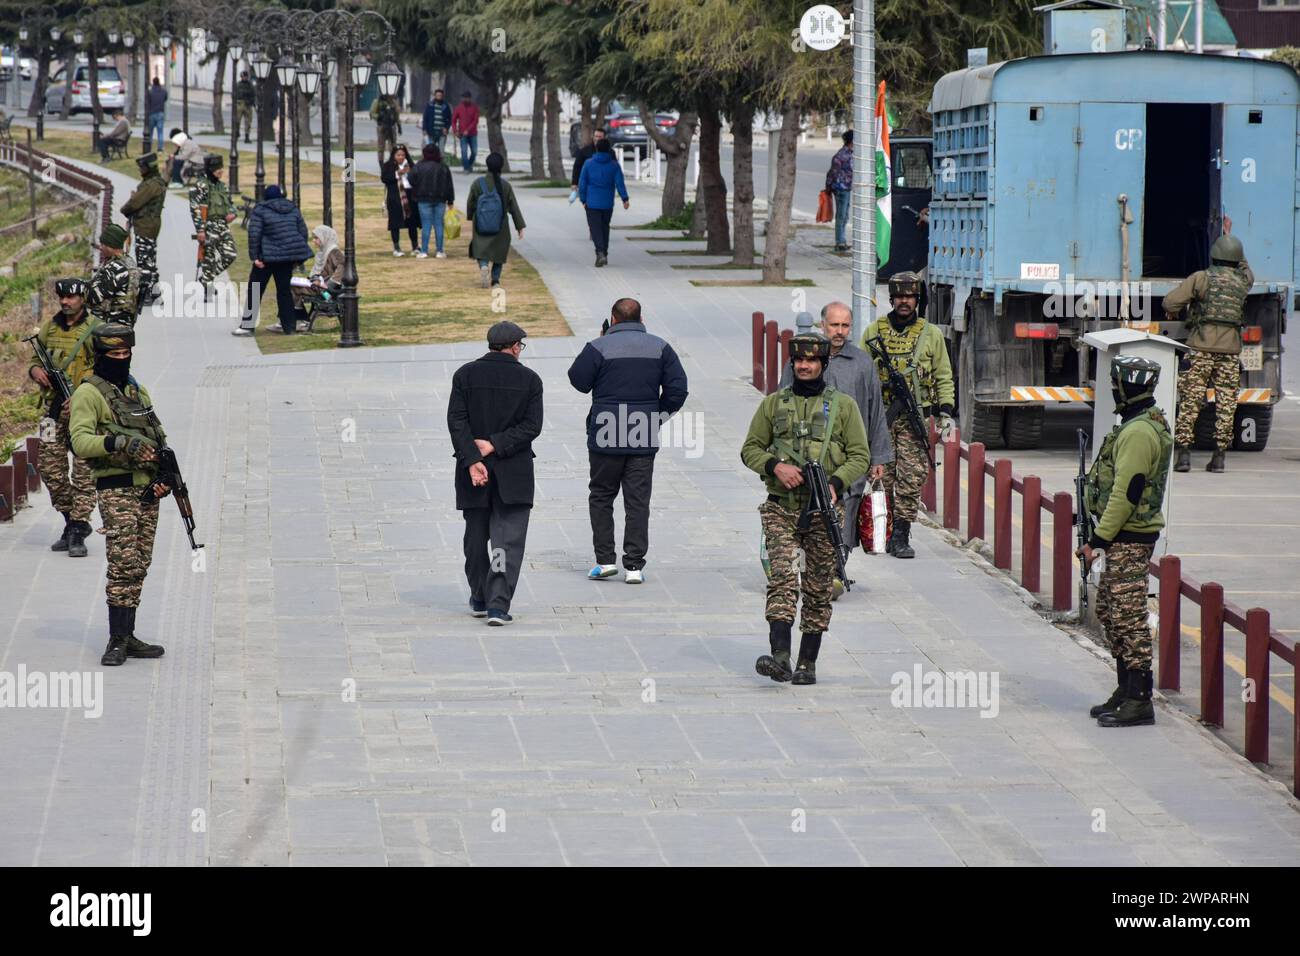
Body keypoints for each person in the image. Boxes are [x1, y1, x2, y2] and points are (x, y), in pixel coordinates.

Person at [741, 333, 871, 685]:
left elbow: (860, 455)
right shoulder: (773, 405)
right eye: (799, 361)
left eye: (812, 361)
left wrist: (836, 483)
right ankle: (780, 657)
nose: (805, 366)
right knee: (782, 579)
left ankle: (806, 662)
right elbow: (750, 449)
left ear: (823, 364)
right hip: (781, 507)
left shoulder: (843, 407)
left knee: (817, 588)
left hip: (823, 513)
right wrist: (774, 467)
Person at [1079, 356, 1173, 728]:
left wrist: (1097, 541)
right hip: (1124, 535)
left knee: (1128, 618)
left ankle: (1139, 699)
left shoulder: (1137, 433)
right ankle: (1124, 689)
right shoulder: (1138, 424)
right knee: (1110, 611)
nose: (1113, 388)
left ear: (1126, 386)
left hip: (1129, 537)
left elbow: (1127, 492)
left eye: (1116, 382)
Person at [67, 322, 169, 667]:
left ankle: (130, 634)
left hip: (146, 488)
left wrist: (164, 476)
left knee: (140, 562)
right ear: (101, 356)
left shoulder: (135, 390)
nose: (122, 359)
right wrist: (118, 442)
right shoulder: (89, 394)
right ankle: (117, 639)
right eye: (115, 354)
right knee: (122, 563)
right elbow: (80, 442)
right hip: (117, 488)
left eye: (127, 354)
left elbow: (156, 434)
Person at [567, 298, 689, 584]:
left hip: (604, 434)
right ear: (640, 317)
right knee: (637, 501)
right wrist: (656, 416)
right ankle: (634, 566)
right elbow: (678, 390)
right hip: (643, 434)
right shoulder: (661, 347)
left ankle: (605, 561)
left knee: (601, 495)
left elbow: (578, 381)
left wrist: (600, 341)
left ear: (613, 318)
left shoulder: (598, 347)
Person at [779, 301, 892, 582]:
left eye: (844, 325)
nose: (839, 331)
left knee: (845, 515)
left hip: (849, 460)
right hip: (807, 456)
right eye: (834, 325)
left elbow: (875, 409)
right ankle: (810, 570)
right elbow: (780, 404)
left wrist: (878, 456)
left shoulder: (862, 363)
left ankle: (835, 571)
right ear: (822, 325)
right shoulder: (803, 360)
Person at [446, 320, 544, 626]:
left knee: (475, 537)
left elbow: (457, 422)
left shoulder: (464, 375)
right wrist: (495, 445)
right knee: (506, 541)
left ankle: (479, 595)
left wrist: (474, 457)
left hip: (471, 471)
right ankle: (498, 605)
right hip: (512, 472)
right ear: (515, 347)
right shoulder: (530, 380)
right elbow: (532, 426)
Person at [861, 271, 954, 559]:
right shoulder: (874, 332)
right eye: (899, 296)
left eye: (910, 297)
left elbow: (943, 375)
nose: (904, 302)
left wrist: (945, 414)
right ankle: (885, 530)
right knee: (883, 476)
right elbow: (862, 374)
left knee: (912, 477)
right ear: (891, 299)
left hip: (914, 418)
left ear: (917, 299)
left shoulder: (931, 335)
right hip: (881, 417)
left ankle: (901, 533)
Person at [1163, 233, 1253, 473]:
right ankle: (1219, 458)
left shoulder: (1201, 278)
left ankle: (1183, 456)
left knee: (1190, 402)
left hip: (1200, 348)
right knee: (1226, 405)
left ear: (1214, 255)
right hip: (1230, 352)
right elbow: (1245, 267)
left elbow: (1171, 303)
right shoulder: (1244, 281)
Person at [28, 278, 99, 557]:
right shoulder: (50, 328)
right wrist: (36, 373)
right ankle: (71, 522)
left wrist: (83, 396)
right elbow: (36, 360)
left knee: (83, 472)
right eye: (62, 297)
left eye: (71, 297)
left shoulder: (95, 330)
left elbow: (105, 371)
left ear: (83, 298)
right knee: (50, 469)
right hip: (51, 411)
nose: (66, 302)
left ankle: (79, 529)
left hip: (83, 413)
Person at [236, 184, 312, 336]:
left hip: (266, 259)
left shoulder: (260, 210)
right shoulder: (293, 209)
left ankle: (247, 326)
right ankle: (289, 327)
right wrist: (296, 257)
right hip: (286, 259)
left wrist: (255, 257)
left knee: (255, 290)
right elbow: (302, 232)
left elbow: (254, 234)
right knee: (284, 292)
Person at [467, 153, 525, 288]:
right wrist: (519, 226)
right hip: (500, 225)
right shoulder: (505, 186)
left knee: (480, 248)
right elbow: (513, 207)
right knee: (499, 251)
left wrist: (471, 217)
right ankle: (495, 280)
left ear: (487, 165)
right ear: (501, 166)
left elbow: (470, 203)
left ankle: (483, 265)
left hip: (480, 224)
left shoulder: (477, 183)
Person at [119, 153, 167, 303]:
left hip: (145, 225)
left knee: (144, 260)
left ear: (148, 168)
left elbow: (135, 203)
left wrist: (125, 210)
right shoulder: (155, 182)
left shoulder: (150, 185)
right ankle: (154, 291)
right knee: (150, 258)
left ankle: (147, 294)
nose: (140, 170)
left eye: (142, 167)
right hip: (150, 224)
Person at [190, 154, 238, 297]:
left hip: (222, 225)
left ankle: (206, 278)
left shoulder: (222, 186)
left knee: (230, 254)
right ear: (210, 169)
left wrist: (233, 213)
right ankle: (208, 287)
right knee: (208, 257)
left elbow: (231, 205)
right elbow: (195, 208)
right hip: (208, 226)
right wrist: (200, 230)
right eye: (218, 169)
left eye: (221, 168)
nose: (221, 171)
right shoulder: (201, 185)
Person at [577, 138, 629, 268]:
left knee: (595, 229)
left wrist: (583, 199)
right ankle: (604, 252)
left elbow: (582, 183)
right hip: (607, 203)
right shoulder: (614, 165)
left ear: (597, 149)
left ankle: (600, 252)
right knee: (605, 227)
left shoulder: (588, 164)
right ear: (608, 150)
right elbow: (619, 183)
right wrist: (625, 199)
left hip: (592, 203)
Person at [291, 224, 345, 331]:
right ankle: (300, 319)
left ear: (325, 237)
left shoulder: (334, 251)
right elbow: (320, 272)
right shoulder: (323, 252)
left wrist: (328, 284)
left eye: (316, 238)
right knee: (292, 286)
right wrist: (314, 279)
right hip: (319, 286)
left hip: (327, 292)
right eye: (313, 238)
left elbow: (342, 268)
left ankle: (302, 320)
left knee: (293, 289)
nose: (314, 241)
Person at [86, 224, 141, 327]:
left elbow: (93, 298)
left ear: (111, 245)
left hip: (109, 322)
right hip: (125, 320)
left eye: (103, 244)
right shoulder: (128, 261)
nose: (101, 248)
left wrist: (76, 290)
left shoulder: (115, 268)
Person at [409, 143, 454, 259]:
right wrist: (450, 200)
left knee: (426, 225)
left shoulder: (419, 166)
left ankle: (424, 250)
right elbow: (449, 184)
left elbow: (410, 179)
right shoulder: (443, 167)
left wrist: (417, 187)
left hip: (423, 198)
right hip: (440, 199)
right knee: (439, 224)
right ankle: (439, 250)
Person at [381, 144, 420, 257]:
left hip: (410, 195)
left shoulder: (411, 165)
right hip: (395, 196)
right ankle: (397, 247)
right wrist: (398, 173)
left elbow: (417, 179)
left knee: (412, 222)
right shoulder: (388, 166)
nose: (401, 157)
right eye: (398, 155)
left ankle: (415, 246)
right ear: (394, 155)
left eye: (403, 155)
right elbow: (385, 178)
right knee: (395, 223)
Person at [826, 130, 853, 252]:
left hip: (845, 188)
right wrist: (829, 187)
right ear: (851, 141)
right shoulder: (843, 155)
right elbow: (832, 173)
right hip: (841, 188)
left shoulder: (849, 154)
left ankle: (841, 241)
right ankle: (840, 242)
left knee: (844, 215)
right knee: (841, 216)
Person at [570, 127, 605, 196]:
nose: (597, 139)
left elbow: (614, 168)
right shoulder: (584, 151)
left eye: (600, 137)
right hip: (588, 184)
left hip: (604, 184)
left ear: (604, 138)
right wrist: (574, 183)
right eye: (596, 136)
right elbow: (577, 167)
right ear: (593, 137)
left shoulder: (610, 152)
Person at [370, 92, 402, 166]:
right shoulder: (378, 101)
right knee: (381, 146)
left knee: (393, 146)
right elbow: (372, 113)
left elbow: (396, 115)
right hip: (382, 126)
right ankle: (381, 164)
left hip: (392, 126)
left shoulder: (393, 102)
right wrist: (379, 116)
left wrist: (399, 126)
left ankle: (393, 163)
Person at [451, 90, 480, 173]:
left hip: (472, 134)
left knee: (474, 152)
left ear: (470, 98)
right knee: (464, 151)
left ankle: (469, 165)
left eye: (466, 98)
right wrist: (455, 130)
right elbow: (453, 120)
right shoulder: (459, 108)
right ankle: (466, 168)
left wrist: (468, 130)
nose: (464, 99)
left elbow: (475, 121)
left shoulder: (475, 108)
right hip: (462, 134)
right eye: (463, 98)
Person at [145, 77, 168, 153]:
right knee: (160, 132)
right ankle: (160, 148)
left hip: (152, 113)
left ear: (153, 83)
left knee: (150, 132)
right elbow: (165, 99)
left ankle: (149, 147)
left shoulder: (150, 92)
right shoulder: (163, 91)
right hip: (160, 113)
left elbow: (148, 102)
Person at [234, 70, 257, 144]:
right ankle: (236, 132)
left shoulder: (250, 85)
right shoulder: (238, 85)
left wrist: (252, 102)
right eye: (243, 76)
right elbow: (234, 94)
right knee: (237, 120)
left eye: (246, 76)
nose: (245, 78)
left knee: (248, 122)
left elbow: (253, 95)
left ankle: (247, 136)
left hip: (248, 105)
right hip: (240, 103)